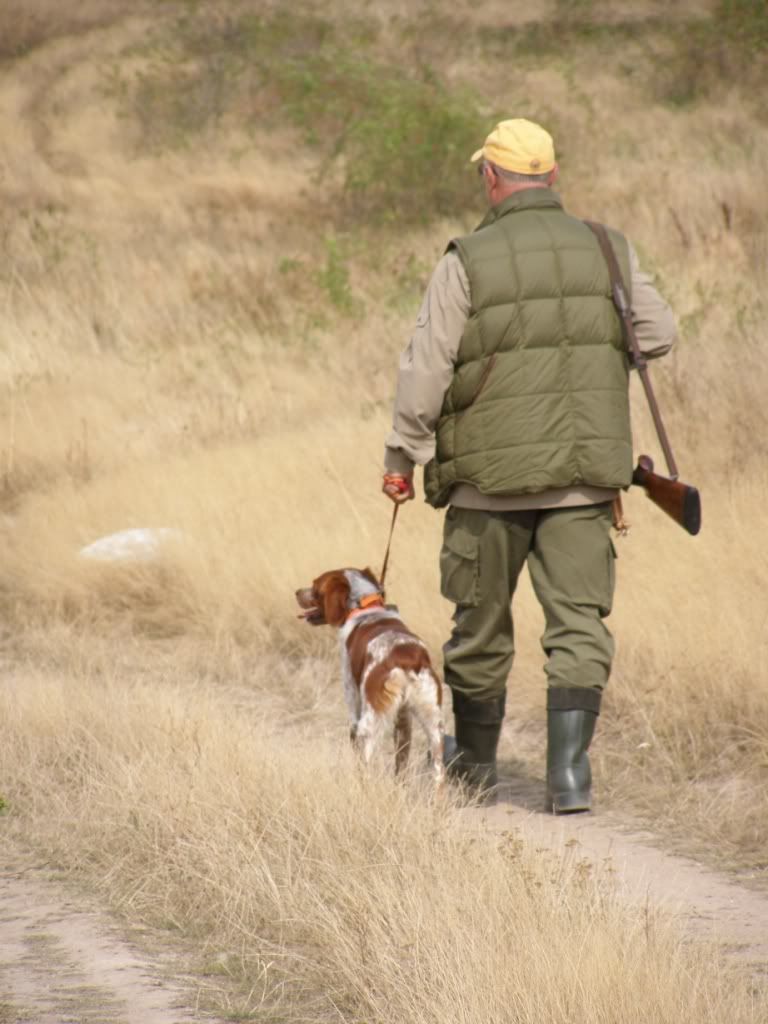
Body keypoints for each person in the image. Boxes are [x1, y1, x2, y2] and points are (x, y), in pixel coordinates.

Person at [382, 119, 676, 812]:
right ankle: (569, 778)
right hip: (584, 480)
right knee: (578, 624)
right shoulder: (606, 247)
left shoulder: (467, 258)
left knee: (479, 627)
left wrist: (401, 455)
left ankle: (478, 769)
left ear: (491, 177)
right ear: (551, 176)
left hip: (488, 485)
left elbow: (425, 371)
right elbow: (659, 333)